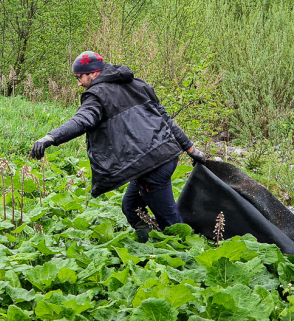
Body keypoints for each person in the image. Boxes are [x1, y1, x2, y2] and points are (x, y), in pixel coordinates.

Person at [30, 51, 206, 242]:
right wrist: (190, 149)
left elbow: (82, 121)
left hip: (152, 166)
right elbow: (165, 118)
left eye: (79, 77)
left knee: (171, 223)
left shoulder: (97, 95)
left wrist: (50, 137)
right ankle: (152, 247)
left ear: (94, 73)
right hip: (160, 157)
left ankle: (184, 252)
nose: (78, 83)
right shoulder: (137, 84)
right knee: (131, 207)